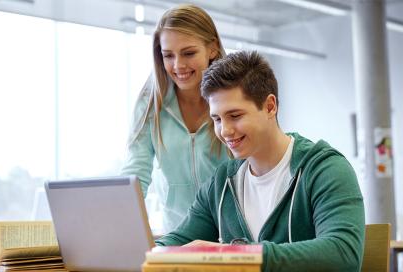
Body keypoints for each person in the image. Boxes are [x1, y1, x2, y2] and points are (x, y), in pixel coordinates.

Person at [155, 51, 365, 272]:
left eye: (235, 116)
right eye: (217, 119)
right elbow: (175, 243)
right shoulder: (222, 183)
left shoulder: (325, 169)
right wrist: (145, 254)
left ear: (270, 107)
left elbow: (343, 254)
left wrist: (233, 255)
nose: (225, 131)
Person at [121, 4, 229, 231]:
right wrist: (123, 227)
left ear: (212, 49)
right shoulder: (150, 103)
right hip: (177, 233)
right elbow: (136, 173)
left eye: (189, 53)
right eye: (168, 55)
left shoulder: (232, 98)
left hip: (232, 232)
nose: (178, 65)